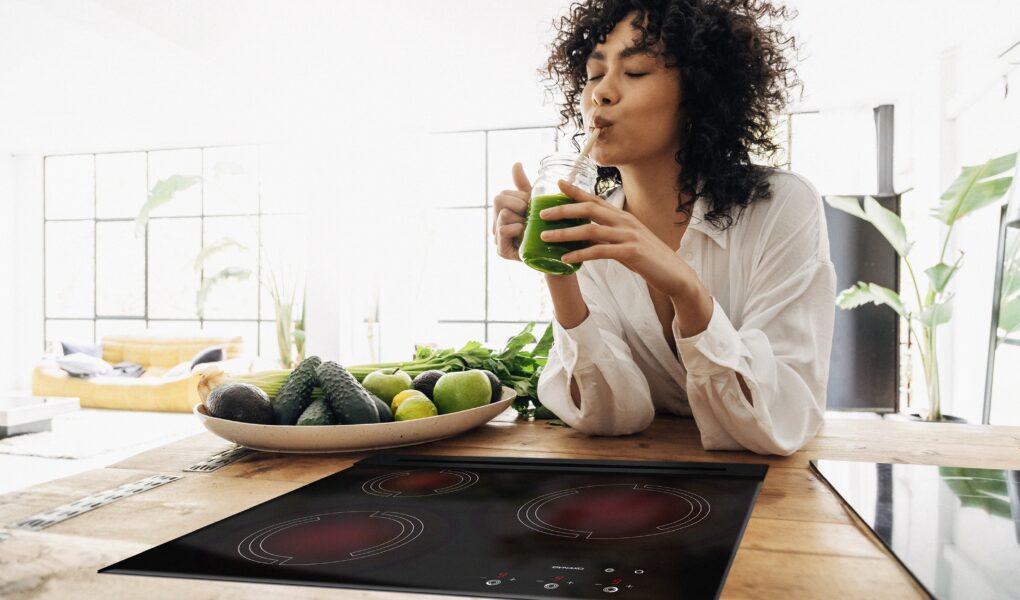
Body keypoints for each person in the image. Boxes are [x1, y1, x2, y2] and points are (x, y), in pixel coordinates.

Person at [491, 0, 836, 455]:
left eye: (634, 73)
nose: (602, 94)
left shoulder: (780, 206)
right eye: (594, 75)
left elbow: (779, 420)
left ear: (698, 94)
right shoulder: (589, 223)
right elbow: (611, 417)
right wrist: (557, 267)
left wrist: (686, 290)